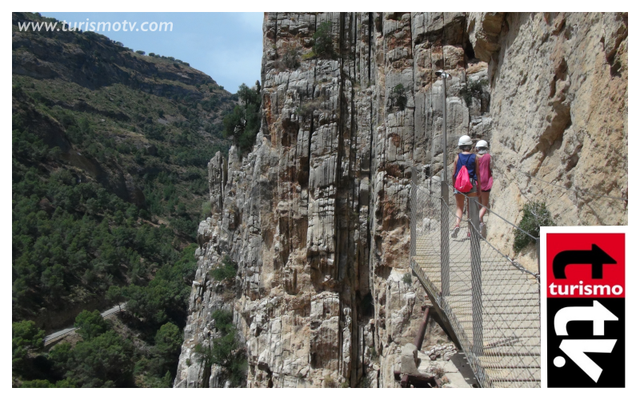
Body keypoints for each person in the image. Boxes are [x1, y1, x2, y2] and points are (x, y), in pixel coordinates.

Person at [451, 135, 481, 238]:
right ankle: (469, 231)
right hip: (471, 184)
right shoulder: (475, 157)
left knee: (459, 207)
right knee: (470, 208)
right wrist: (479, 187)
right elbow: (478, 173)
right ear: (470, 146)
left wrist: (453, 185)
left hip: (459, 185)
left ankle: (457, 224)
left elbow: (453, 173)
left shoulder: (457, 157)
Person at [476, 140, 493, 238]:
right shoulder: (488, 157)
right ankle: (479, 218)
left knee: (479, 204)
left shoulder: (475, 158)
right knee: (484, 204)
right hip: (486, 182)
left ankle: (480, 223)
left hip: (477, 183)